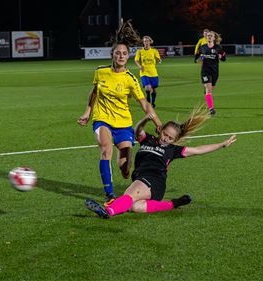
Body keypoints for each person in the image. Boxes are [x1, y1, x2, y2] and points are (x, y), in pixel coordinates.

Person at [85, 106, 237, 219]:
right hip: (143, 179)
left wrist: (221, 145)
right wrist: (146, 118)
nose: (166, 139)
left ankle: (108, 211)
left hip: (154, 180)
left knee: (130, 194)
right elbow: (137, 131)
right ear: (161, 129)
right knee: (135, 207)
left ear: (174, 140)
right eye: (165, 134)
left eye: (170, 138)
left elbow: (198, 149)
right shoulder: (148, 139)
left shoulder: (173, 150)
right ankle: (173, 203)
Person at [78, 20, 162, 207]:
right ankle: (109, 195)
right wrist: (87, 113)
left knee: (125, 169)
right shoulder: (100, 72)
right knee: (106, 148)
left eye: (125, 53)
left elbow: (144, 104)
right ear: (112, 55)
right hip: (102, 120)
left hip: (123, 123)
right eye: (118, 53)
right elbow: (94, 93)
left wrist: (158, 122)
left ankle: (127, 176)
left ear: (128, 56)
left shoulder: (131, 79)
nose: (122, 56)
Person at [194, 31, 226, 116]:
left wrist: (221, 57)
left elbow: (224, 58)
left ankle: (207, 95)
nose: (209, 37)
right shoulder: (203, 47)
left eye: (211, 36)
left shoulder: (218, 47)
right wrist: (196, 59)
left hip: (215, 71)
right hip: (205, 71)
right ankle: (211, 109)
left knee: (210, 90)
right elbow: (197, 54)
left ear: (214, 38)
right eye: (208, 36)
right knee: (208, 90)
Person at [134, 36, 161, 108]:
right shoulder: (140, 51)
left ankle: (153, 102)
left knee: (154, 89)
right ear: (143, 42)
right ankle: (148, 100)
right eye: (145, 41)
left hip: (153, 72)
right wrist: (139, 66)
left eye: (147, 41)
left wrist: (159, 60)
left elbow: (158, 59)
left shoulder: (154, 51)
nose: (146, 42)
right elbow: (136, 60)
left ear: (150, 42)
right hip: (144, 72)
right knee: (148, 88)